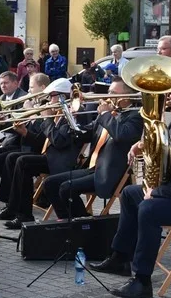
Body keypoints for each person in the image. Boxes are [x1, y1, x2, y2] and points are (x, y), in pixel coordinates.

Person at [89, 78, 171, 298]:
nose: (170, 97)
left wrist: (157, 192)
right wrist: (142, 145)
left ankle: (142, 280)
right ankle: (120, 257)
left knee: (149, 209)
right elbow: (166, 150)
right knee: (131, 194)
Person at [42, 80, 143, 219]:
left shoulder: (135, 116)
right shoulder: (111, 114)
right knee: (50, 183)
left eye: (113, 93)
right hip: (94, 169)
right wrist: (70, 118)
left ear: (127, 96)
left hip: (110, 174)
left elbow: (122, 135)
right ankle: (66, 224)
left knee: (66, 188)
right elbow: (83, 134)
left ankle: (85, 225)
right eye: (109, 92)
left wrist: (105, 115)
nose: (108, 96)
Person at [0, 78, 81, 229]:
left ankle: (23, 214)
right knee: (16, 159)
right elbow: (41, 138)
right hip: (51, 156)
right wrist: (25, 131)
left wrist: (47, 118)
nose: (49, 100)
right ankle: (15, 209)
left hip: (61, 161)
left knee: (22, 161)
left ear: (63, 96)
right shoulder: (58, 112)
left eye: (52, 96)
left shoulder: (72, 113)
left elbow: (59, 141)